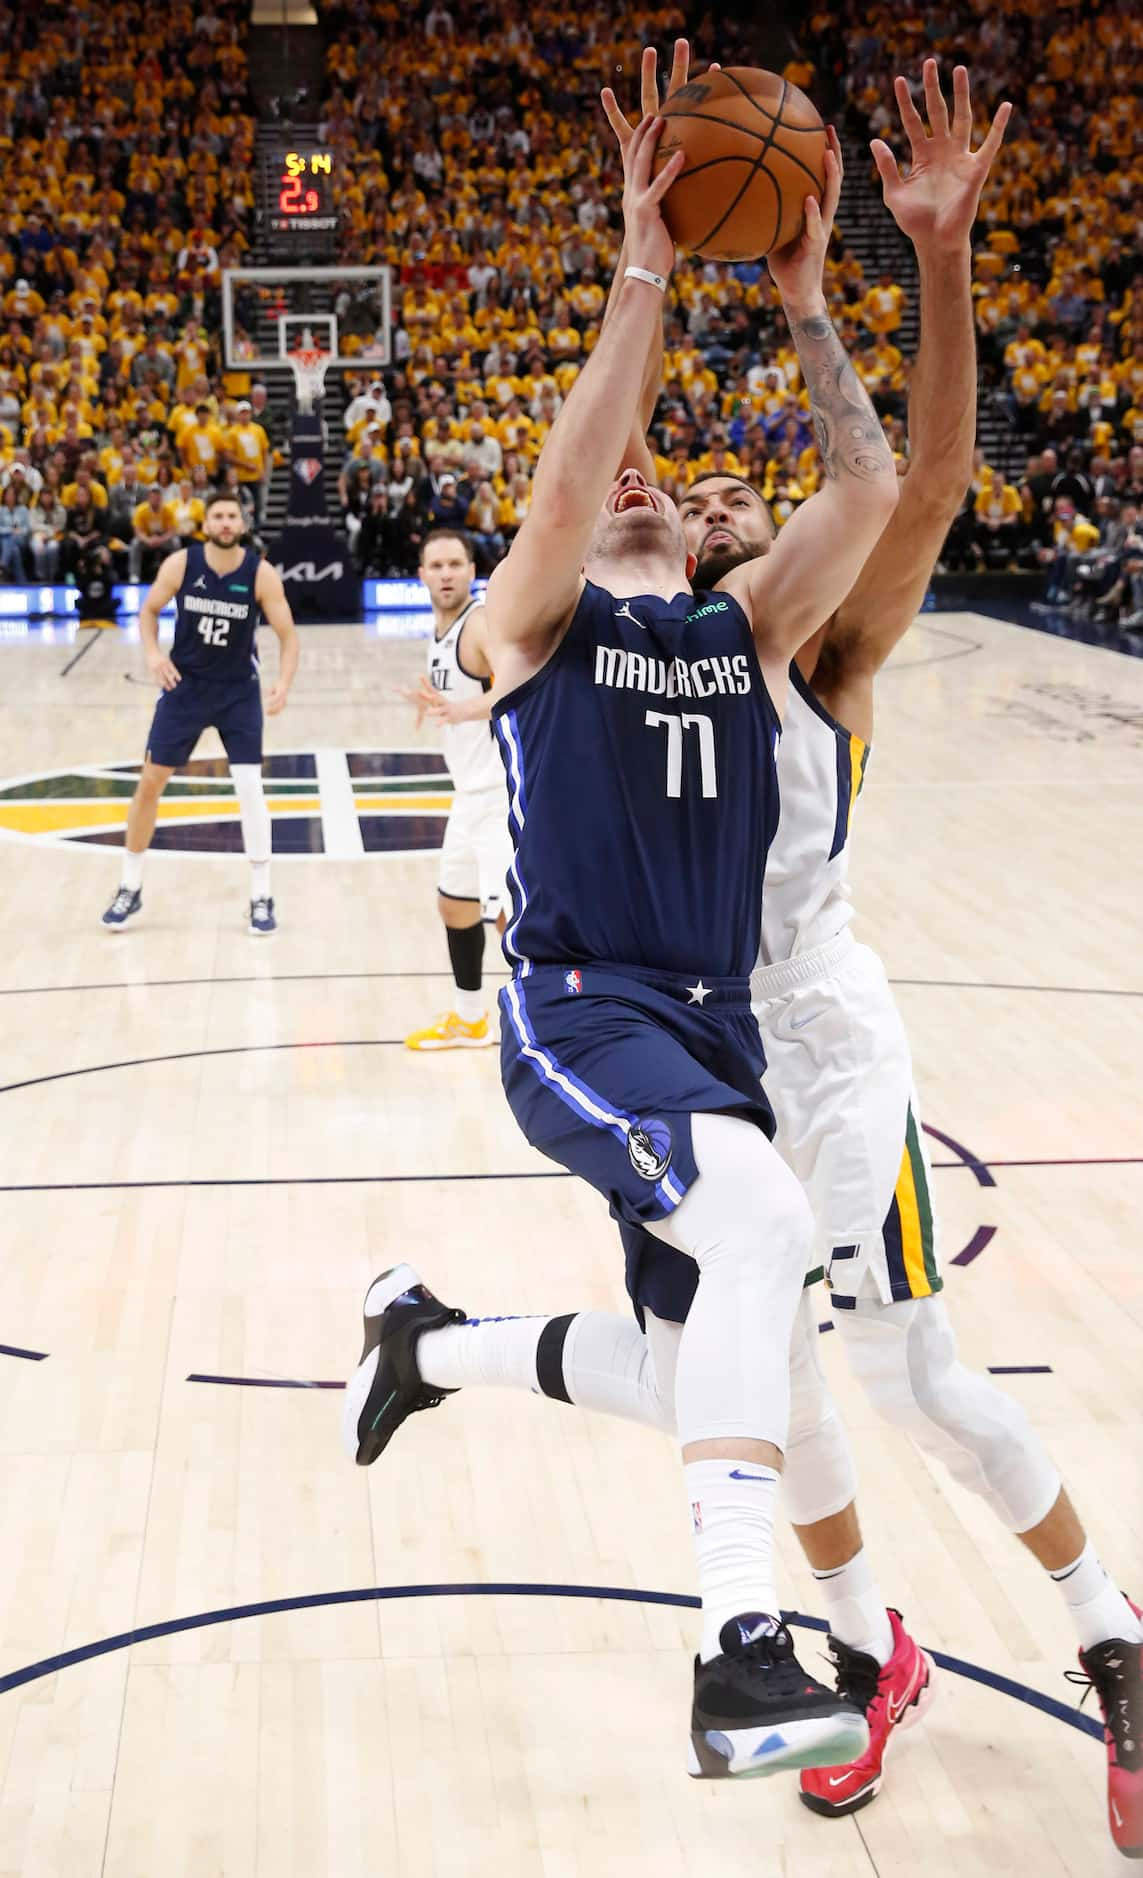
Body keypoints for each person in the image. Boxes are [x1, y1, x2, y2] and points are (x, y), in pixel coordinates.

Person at [618, 57, 1143, 1855]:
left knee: (914, 1375)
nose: (692, 501)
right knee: (759, 1391)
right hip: (687, 1063)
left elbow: (917, 479)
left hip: (822, 1046)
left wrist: (905, 265)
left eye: (711, 497)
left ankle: (1110, 1637)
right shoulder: (596, 680)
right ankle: (866, 1651)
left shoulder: (807, 663)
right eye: (662, 491)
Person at [343, 102, 902, 1782]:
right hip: (578, 1014)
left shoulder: (740, 629)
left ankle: (421, 1342)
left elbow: (868, 480)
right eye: (612, 483)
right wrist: (645, 264)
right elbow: (578, 470)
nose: (638, 481)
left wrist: (805, 291)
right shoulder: (537, 625)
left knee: (690, 1365)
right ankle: (741, 1639)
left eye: (664, 474)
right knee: (765, 1225)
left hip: (706, 1025)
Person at [101, 491, 299, 938]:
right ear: (205, 523)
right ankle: (129, 886)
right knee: (150, 781)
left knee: (250, 789)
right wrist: (153, 655)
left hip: (237, 693)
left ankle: (261, 895)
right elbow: (148, 610)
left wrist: (283, 683)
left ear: (243, 524)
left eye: (232, 516)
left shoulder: (260, 573)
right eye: (218, 516)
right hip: (184, 688)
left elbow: (288, 635)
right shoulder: (181, 565)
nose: (225, 523)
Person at [398, 528, 510, 1050]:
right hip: (469, 793)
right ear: (422, 575)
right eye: (436, 566)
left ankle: (556, 1031)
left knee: (510, 922)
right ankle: (470, 1020)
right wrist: (441, 708)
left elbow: (522, 681)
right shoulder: (439, 631)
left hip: (501, 796)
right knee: (455, 906)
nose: (445, 574)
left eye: (454, 564)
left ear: (472, 570)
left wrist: (461, 709)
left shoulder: (481, 622)